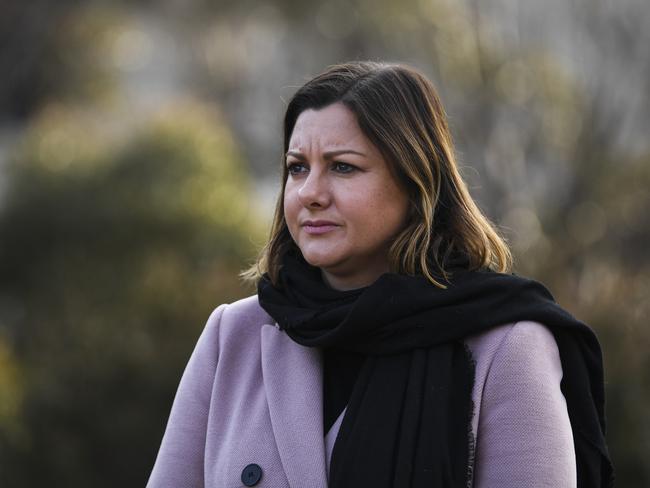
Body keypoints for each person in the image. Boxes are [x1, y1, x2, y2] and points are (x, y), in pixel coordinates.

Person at [146, 61, 613, 488]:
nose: (309, 193)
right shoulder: (234, 335)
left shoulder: (507, 344)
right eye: (297, 168)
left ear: (415, 183)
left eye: (343, 167)